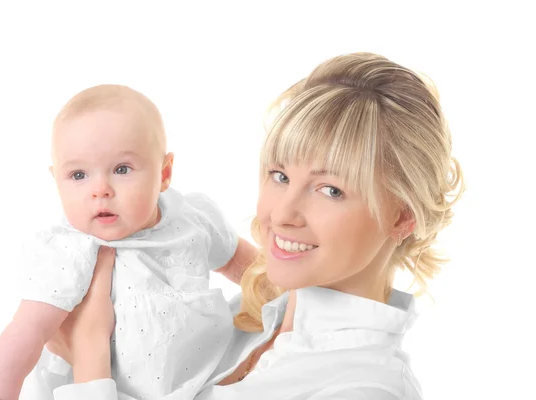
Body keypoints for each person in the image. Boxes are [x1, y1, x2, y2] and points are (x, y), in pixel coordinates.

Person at [52, 52, 464, 399]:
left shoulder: (365, 388)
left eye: (330, 190)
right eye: (280, 176)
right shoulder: (243, 318)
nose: (282, 214)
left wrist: (88, 356)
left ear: (403, 215)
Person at [0, 85, 257, 400]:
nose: (100, 189)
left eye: (122, 169)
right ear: (56, 181)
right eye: (78, 175)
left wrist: (288, 291)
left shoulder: (191, 217)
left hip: (213, 370)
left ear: (164, 173)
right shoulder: (68, 252)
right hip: (108, 390)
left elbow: (245, 264)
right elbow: (24, 335)